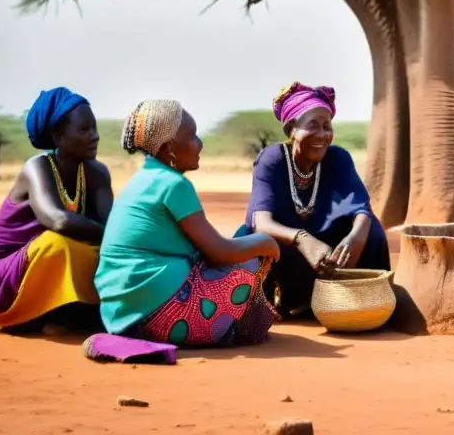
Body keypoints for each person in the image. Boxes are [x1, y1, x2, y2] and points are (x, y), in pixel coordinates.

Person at [95, 99, 280, 347]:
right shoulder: (174, 184)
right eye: (192, 136)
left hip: (123, 318)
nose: (200, 143)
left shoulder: (142, 180)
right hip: (164, 315)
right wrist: (267, 243)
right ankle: (216, 329)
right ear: (169, 146)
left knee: (243, 237)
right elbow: (219, 252)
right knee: (250, 257)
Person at [0, 87, 113, 332]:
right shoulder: (37, 168)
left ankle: (78, 312)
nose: (95, 136)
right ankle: (41, 316)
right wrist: (112, 238)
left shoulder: (96, 173)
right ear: (58, 138)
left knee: (103, 250)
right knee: (57, 243)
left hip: (46, 265)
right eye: (85, 129)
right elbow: (58, 220)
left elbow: (110, 227)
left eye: (95, 128)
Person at [239, 82, 391, 316]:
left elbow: (362, 209)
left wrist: (356, 237)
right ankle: (262, 306)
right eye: (313, 125)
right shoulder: (272, 160)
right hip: (286, 249)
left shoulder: (337, 158)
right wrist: (301, 238)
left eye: (327, 126)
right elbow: (261, 223)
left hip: (327, 250)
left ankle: (365, 298)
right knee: (254, 240)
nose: (322, 134)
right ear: (292, 130)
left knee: (372, 230)